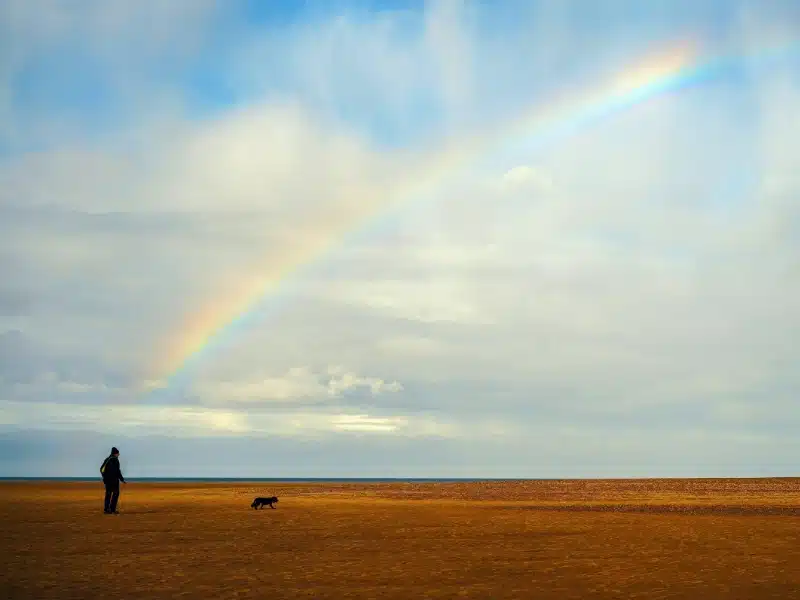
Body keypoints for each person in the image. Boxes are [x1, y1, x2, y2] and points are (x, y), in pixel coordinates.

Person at [100, 446, 126, 514]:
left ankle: (106, 509)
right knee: (115, 494)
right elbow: (117, 471)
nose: (119, 454)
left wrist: (104, 478)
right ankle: (112, 509)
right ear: (115, 453)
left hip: (107, 481)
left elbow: (101, 469)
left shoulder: (107, 459)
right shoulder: (115, 460)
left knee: (108, 494)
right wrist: (122, 479)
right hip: (114, 481)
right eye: (118, 453)